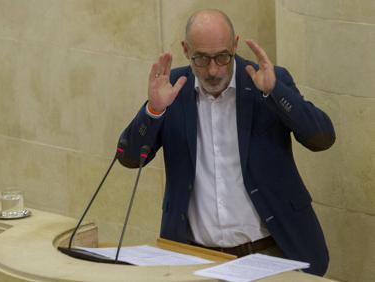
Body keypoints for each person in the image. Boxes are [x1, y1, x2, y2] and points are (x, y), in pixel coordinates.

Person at [118, 9, 335, 276]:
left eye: (222, 57)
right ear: (186, 50)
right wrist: (154, 111)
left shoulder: (265, 81)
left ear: (235, 45)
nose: (212, 70)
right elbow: (129, 158)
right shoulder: (173, 88)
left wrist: (275, 93)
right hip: (195, 257)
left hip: (272, 253)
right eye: (201, 58)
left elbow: (322, 138)